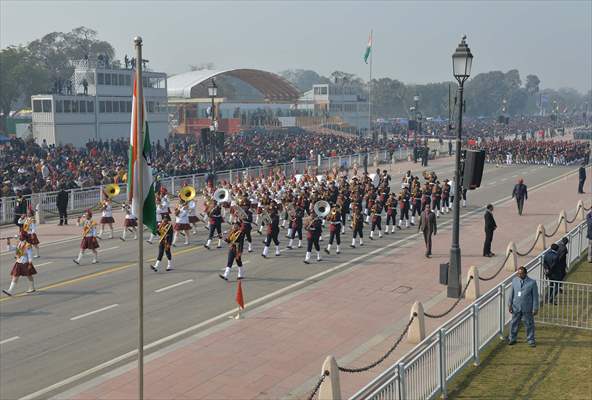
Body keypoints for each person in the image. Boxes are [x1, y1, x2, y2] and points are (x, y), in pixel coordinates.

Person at [508, 266, 539, 347]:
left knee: (529, 324)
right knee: (514, 323)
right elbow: (511, 294)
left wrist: (535, 308)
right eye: (518, 273)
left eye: (521, 273)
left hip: (527, 307)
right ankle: (512, 338)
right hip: (516, 306)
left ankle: (531, 340)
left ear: (525, 273)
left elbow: (535, 296)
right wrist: (509, 305)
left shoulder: (532, 283)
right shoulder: (514, 280)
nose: (519, 275)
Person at [2, 231, 37, 296]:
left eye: (20, 235)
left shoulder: (28, 245)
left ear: (24, 237)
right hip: (18, 262)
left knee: (29, 275)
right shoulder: (19, 243)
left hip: (25, 262)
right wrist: (8, 241)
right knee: (15, 276)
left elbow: (30, 255)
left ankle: (32, 288)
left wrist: (30, 263)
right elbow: (10, 249)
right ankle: (10, 291)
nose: (19, 236)